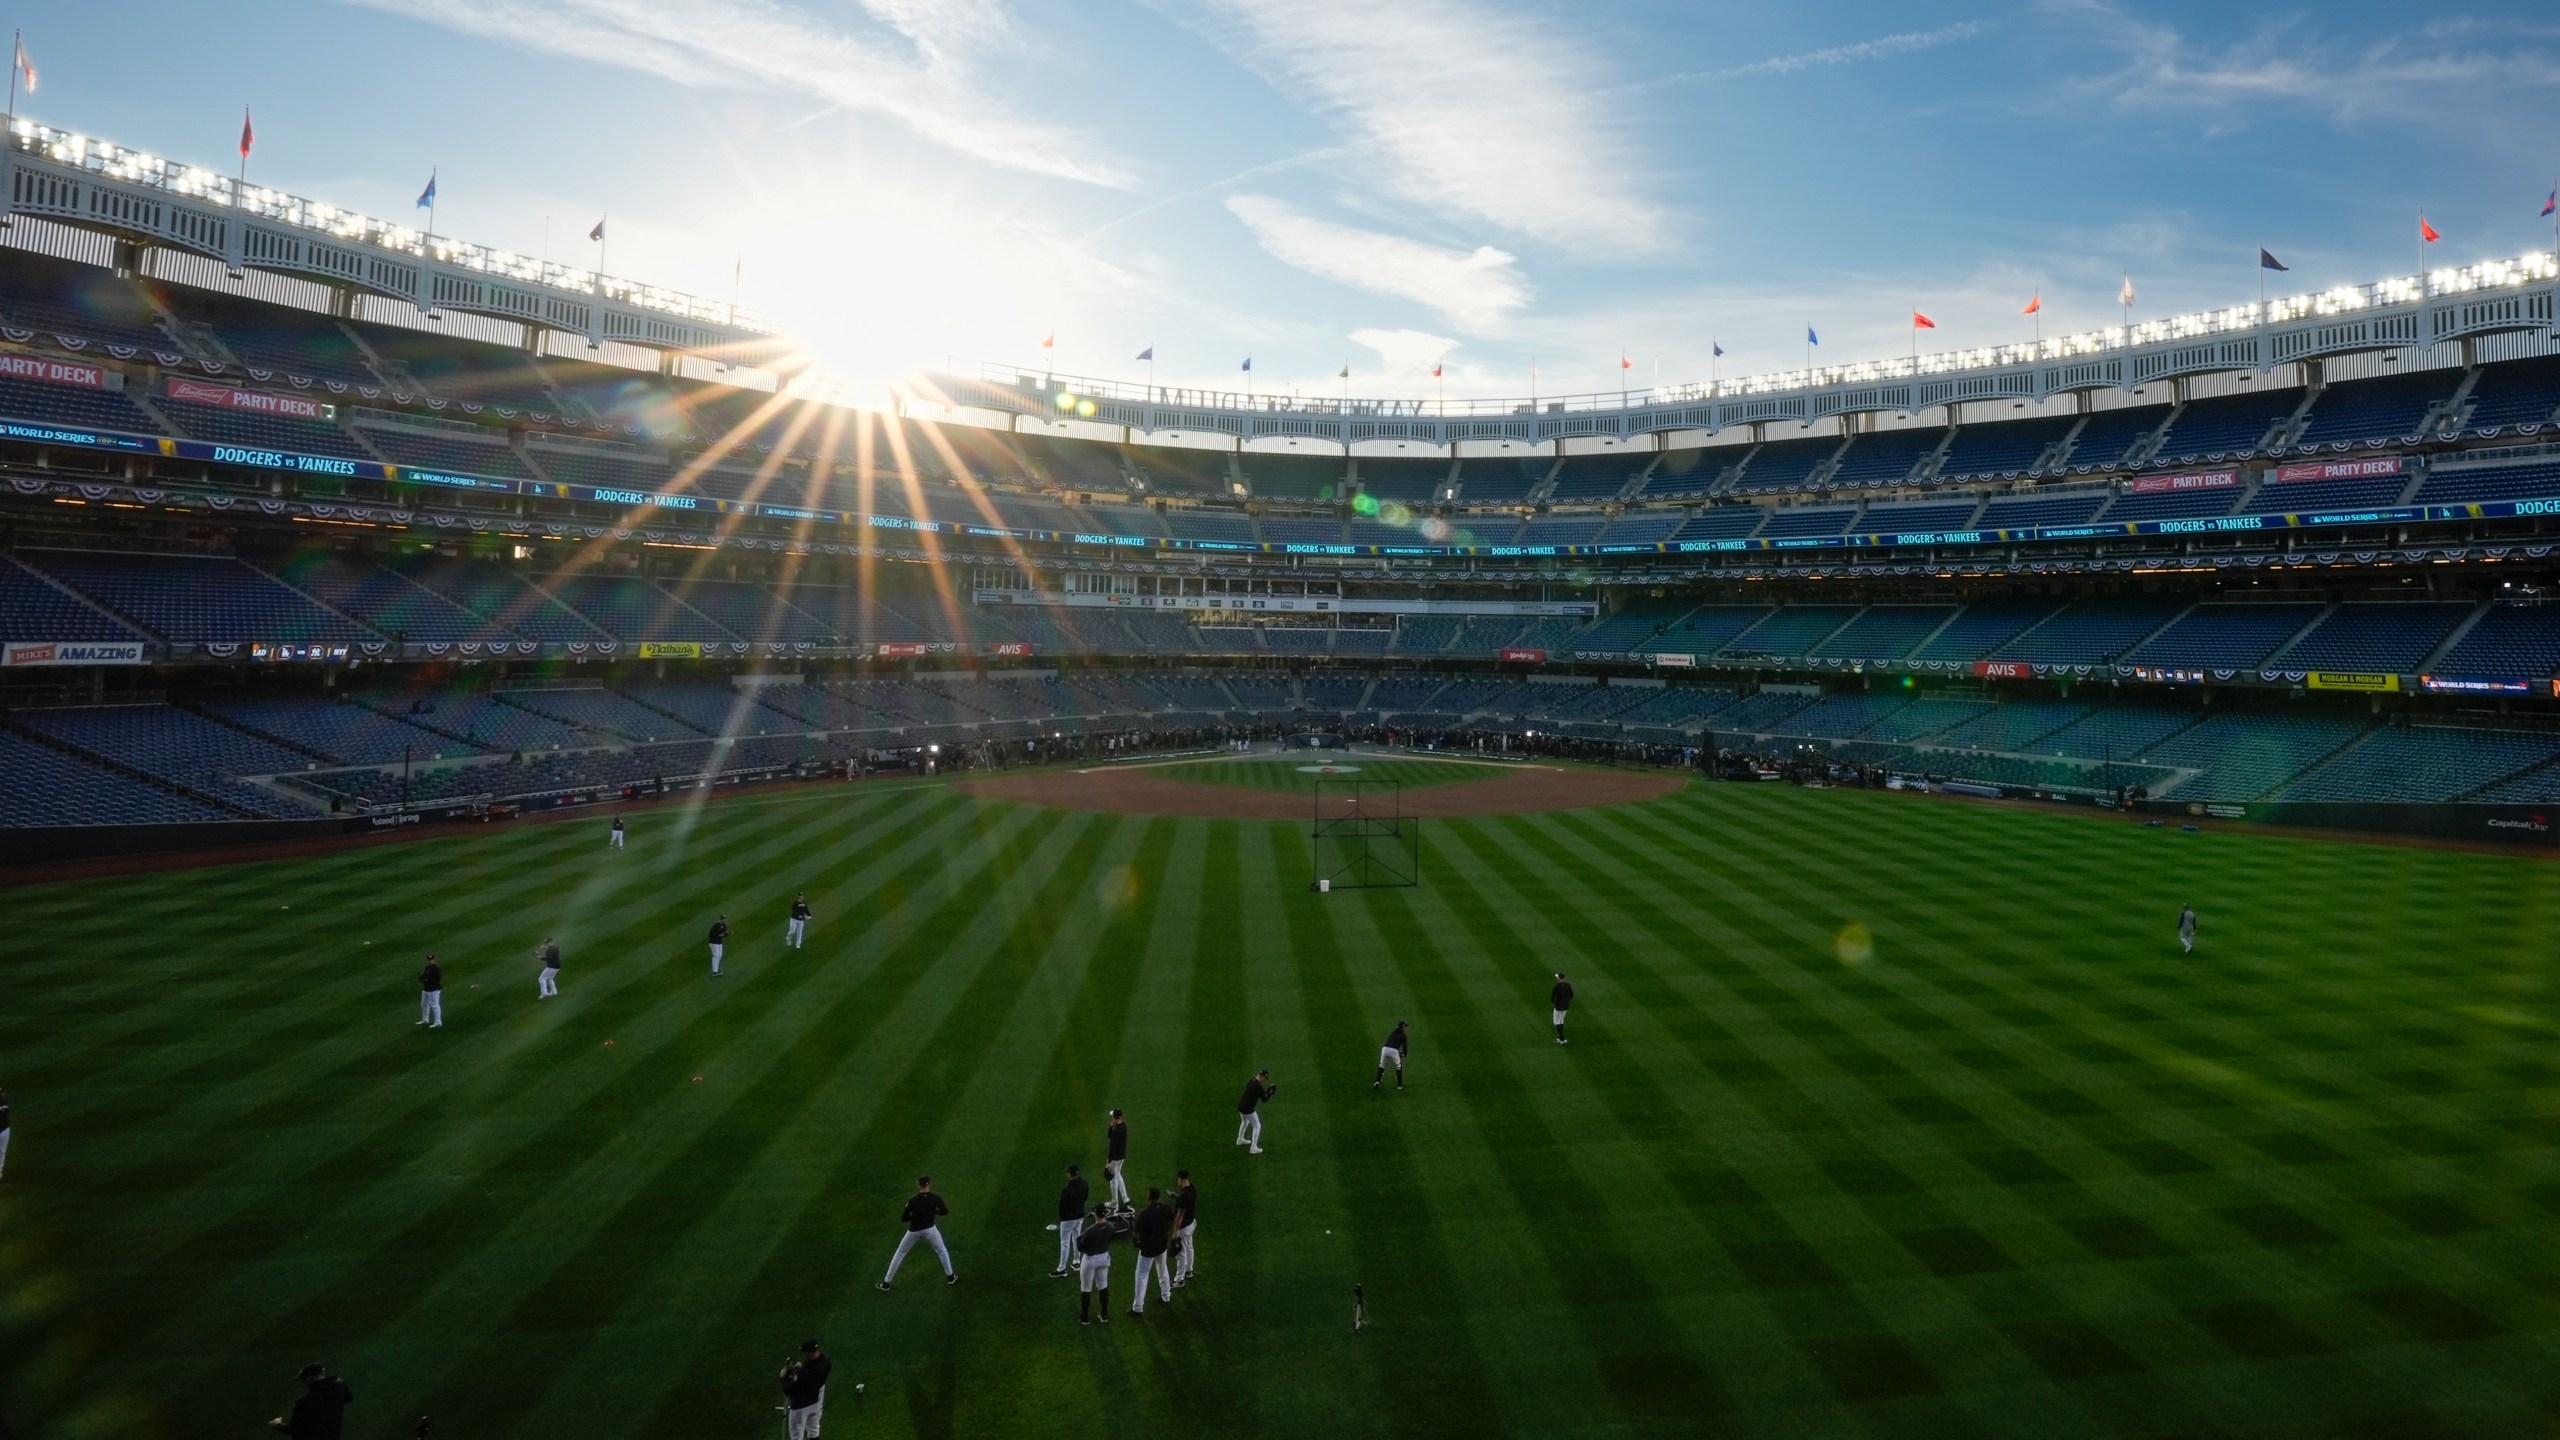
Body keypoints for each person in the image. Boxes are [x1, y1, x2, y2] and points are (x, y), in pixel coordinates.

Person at [877, 1175, 955, 1289]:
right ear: (928, 1184)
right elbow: (945, 1211)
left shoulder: (913, 1200)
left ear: (919, 1185)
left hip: (914, 1232)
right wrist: (932, 1211)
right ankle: (951, 1277)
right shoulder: (935, 1198)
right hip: (930, 1230)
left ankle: (886, 1283)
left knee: (899, 1254)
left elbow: (904, 1218)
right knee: (942, 1250)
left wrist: (915, 1215)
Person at [267, 1363, 354, 1440]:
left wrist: (278, 1425)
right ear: (322, 1373)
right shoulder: (339, 1386)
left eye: (304, 1379)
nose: (303, 1382)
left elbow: (293, 1429)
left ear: (310, 1377)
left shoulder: (304, 1401)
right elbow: (349, 1398)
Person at [1128, 1187, 1177, 1315]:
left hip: (1148, 1249)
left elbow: (1135, 1233)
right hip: (1161, 1246)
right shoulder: (1165, 1207)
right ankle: (1166, 1296)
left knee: (1141, 1276)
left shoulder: (1144, 1213)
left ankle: (1137, 1308)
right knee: (1162, 1270)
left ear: (1149, 1197)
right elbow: (1172, 1220)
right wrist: (1167, 1230)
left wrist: (1136, 1244)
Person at [1075, 1202, 1120, 1324]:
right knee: (1103, 1285)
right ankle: (1104, 1314)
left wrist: (1079, 1238)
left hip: (1090, 1260)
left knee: (1086, 1288)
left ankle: (1085, 1317)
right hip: (1104, 1258)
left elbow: (1081, 1247)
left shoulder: (1089, 1231)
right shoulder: (1110, 1226)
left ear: (1095, 1214)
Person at [779, 1339, 831, 1440]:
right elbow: (815, 1365)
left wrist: (783, 1378)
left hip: (800, 1407)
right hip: (817, 1403)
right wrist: (803, 1367)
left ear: (808, 1352)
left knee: (796, 1436)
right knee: (814, 1430)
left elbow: (788, 1390)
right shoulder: (827, 1362)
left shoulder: (804, 1373)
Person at [1052, 1162, 1090, 1278]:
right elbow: (1085, 1198)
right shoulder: (1084, 1184)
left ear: (1070, 1174)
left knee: (1064, 1243)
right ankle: (1077, 1261)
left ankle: (1062, 1268)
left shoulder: (1067, 1191)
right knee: (1077, 1237)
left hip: (1068, 1219)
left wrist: (1063, 1219)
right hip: (1080, 1216)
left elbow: (1062, 1208)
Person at [1234, 1069, 1274, 1154]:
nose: (1264, 1080)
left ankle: (1240, 1140)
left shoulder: (1251, 1081)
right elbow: (1264, 1099)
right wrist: (1270, 1093)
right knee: (1257, 1126)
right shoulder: (1258, 1086)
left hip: (1241, 1107)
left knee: (1245, 1122)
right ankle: (1253, 1148)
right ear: (1262, 1076)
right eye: (1265, 1078)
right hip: (1248, 1109)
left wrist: (1266, 1092)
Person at [1171, 1169, 1197, 1287]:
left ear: (1180, 1179)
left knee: (1181, 1253)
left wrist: (1175, 1231)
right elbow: (1187, 1203)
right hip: (1192, 1223)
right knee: (1189, 1247)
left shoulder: (1183, 1196)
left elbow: (1179, 1216)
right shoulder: (1192, 1188)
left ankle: (1179, 1279)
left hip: (1184, 1227)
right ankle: (1189, 1270)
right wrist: (1177, 1197)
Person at [1103, 1109, 1130, 1208]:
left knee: (1113, 1179)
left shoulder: (1116, 1131)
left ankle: (1114, 1202)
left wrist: (1108, 1162)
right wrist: (1111, 1126)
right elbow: (1110, 1135)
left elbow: (1112, 1146)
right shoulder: (1123, 1126)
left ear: (1114, 1117)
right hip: (1122, 1156)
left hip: (1115, 1158)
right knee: (1118, 1175)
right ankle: (1125, 1197)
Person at [1374, 1020, 1410, 1091]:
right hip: (1394, 1051)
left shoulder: (1393, 1032)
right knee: (1398, 1067)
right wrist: (1404, 1054)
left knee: (1382, 1066)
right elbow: (1405, 1046)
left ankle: (1377, 1081)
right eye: (1405, 1027)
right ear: (1402, 1028)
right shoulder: (1403, 1036)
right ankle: (1399, 1086)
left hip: (1385, 1049)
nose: (1406, 1028)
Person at [417, 955, 444, 1028]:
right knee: (424, 1004)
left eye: (431, 960)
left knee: (434, 1005)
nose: (430, 961)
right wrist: (425, 980)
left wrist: (426, 980)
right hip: (426, 989)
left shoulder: (436, 969)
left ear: (434, 960)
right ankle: (425, 1019)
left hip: (433, 990)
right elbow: (421, 977)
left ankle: (438, 1022)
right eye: (429, 960)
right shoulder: (427, 968)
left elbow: (436, 980)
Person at [1550, 972, 1575, 1045]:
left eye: (1557, 977)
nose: (1556, 978)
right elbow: (1571, 995)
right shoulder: (1568, 985)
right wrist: (1565, 1001)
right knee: (1561, 1021)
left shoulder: (1556, 987)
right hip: (1566, 1006)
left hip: (1558, 1007)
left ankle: (1562, 1038)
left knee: (1556, 1022)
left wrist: (1556, 1004)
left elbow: (1552, 998)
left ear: (1559, 978)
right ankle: (1561, 1038)